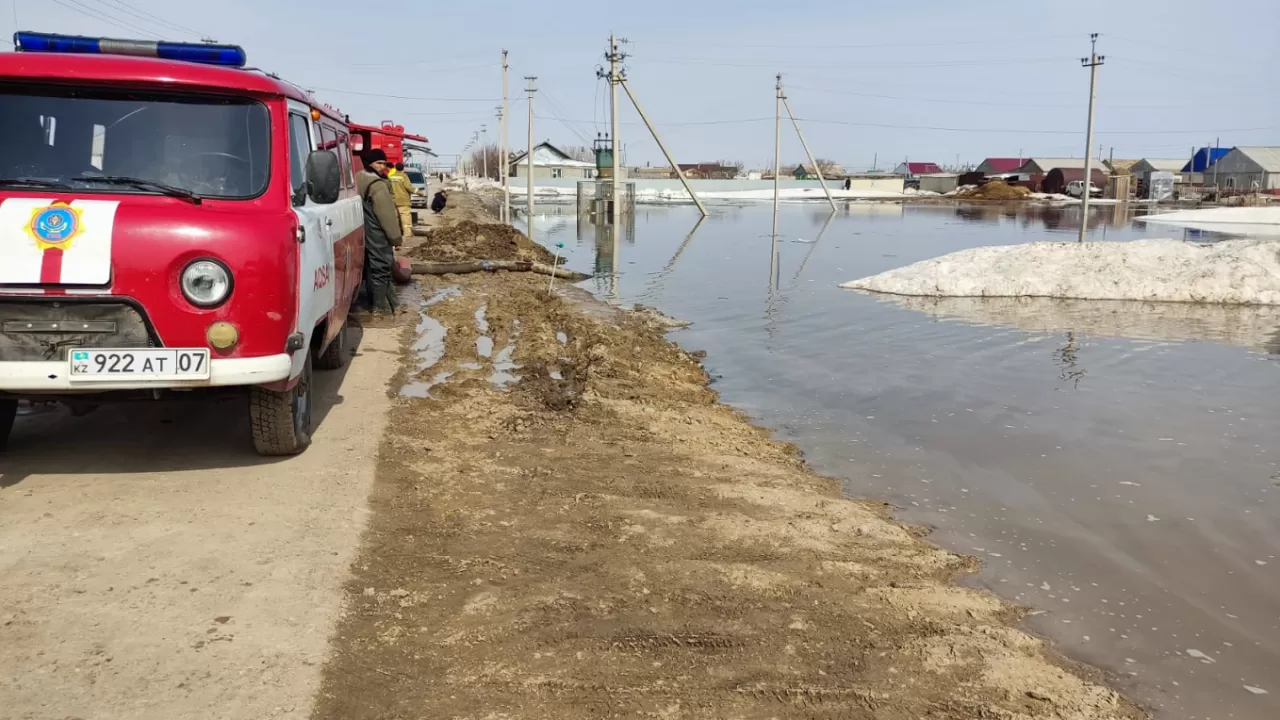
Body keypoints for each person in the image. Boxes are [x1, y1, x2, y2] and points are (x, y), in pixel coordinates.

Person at [356, 149, 403, 315]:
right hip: (378, 232)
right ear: (370, 164)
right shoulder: (377, 184)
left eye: (384, 163)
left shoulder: (357, 178)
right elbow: (386, 215)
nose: (383, 166)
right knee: (382, 269)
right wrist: (396, 238)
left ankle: (393, 306)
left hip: (363, 231)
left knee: (373, 268)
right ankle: (379, 309)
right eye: (379, 163)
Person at [388, 162, 420, 238]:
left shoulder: (390, 177)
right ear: (403, 168)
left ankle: (396, 235)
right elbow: (408, 187)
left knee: (395, 219)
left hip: (393, 201)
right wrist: (419, 192)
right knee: (405, 218)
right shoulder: (404, 176)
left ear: (395, 168)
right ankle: (407, 234)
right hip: (403, 200)